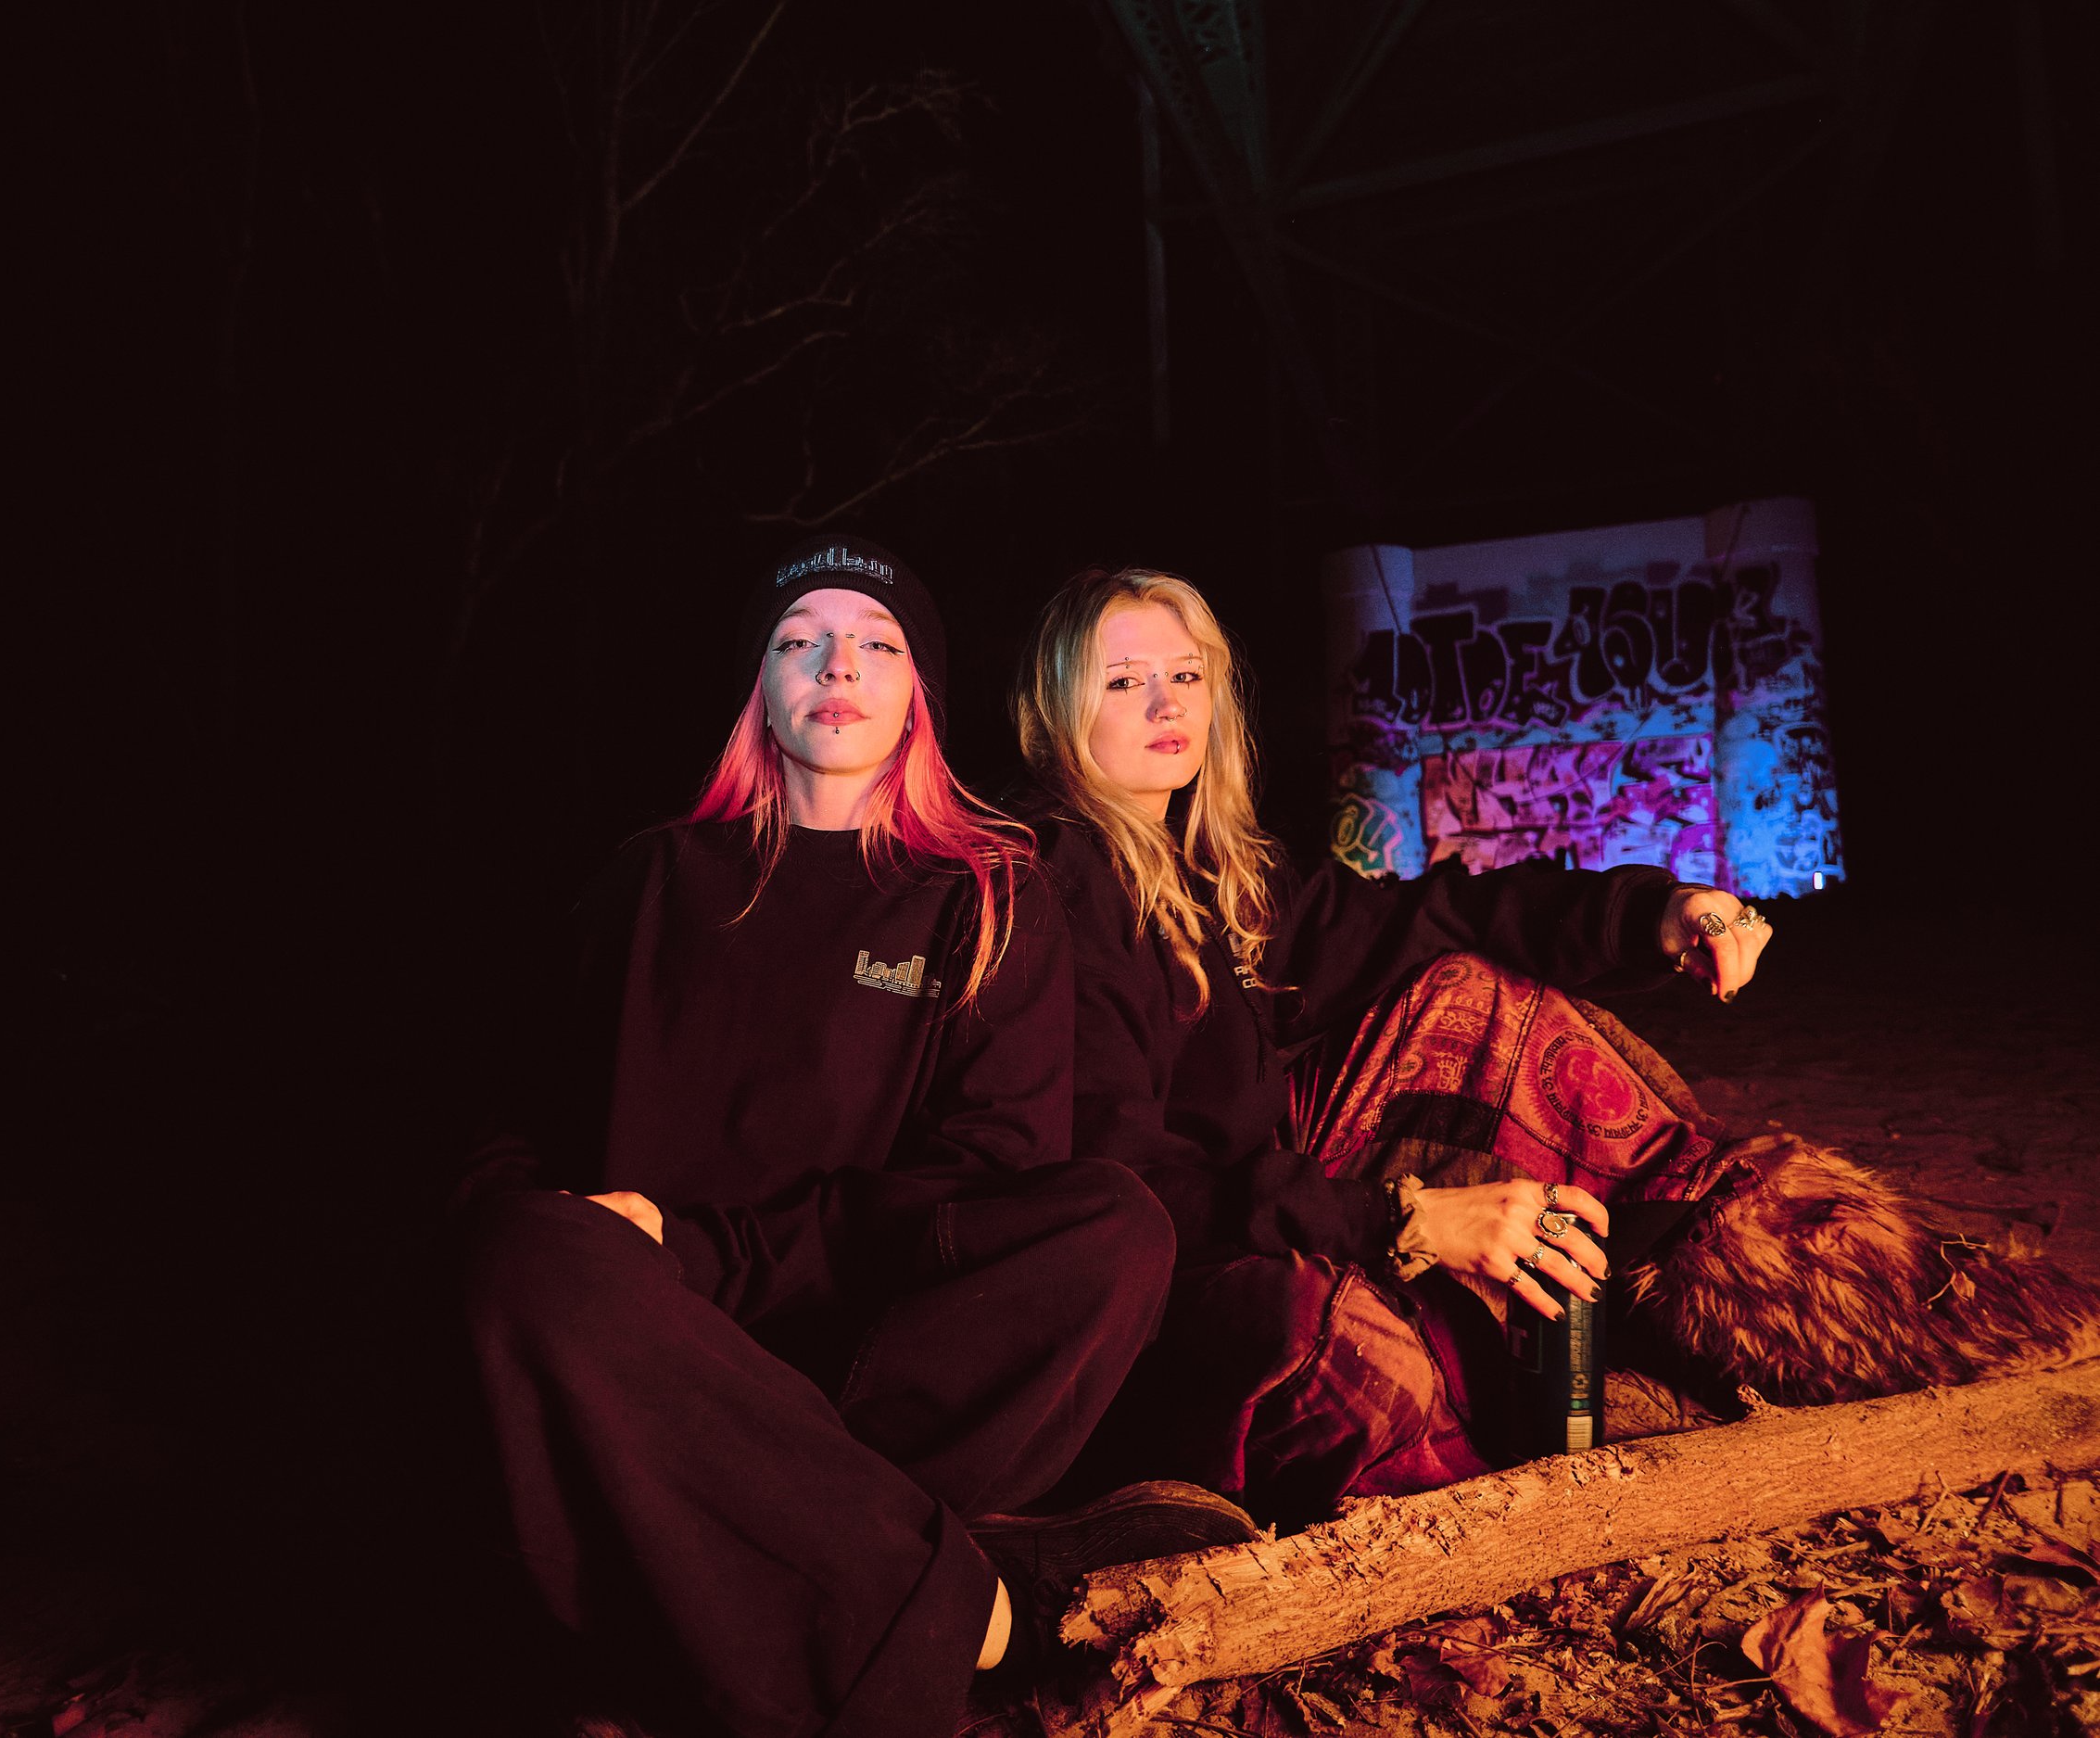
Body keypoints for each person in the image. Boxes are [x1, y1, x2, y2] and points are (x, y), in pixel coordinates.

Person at [456, 539, 1250, 1738]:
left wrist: (711, 1246)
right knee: (522, 1246)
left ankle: (719, 1568)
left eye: (878, 643)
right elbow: (512, 1118)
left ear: (919, 688)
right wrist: (575, 1237)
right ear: (757, 682)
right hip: (647, 1338)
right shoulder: (647, 879)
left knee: (1112, 1225)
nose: (839, 664)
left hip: (860, 1352)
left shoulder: (985, 894)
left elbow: (989, 1180)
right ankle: (972, 1607)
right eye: (799, 640)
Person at [1011, 564, 1777, 1524]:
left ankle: (1749, 1270)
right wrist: (1403, 1222)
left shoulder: (1220, 869)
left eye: (1187, 674)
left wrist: (1653, 914)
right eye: (1124, 682)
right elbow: (1121, 1188)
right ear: (1056, 710)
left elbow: (1432, 918)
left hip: (1261, 1205)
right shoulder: (1050, 888)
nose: (1169, 704)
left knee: (1466, 990)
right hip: (1143, 1291)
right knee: (1348, 1350)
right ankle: (1438, 1442)